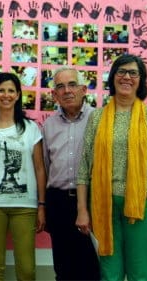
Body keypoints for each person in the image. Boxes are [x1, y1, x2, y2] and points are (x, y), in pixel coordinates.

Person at [76, 54, 147, 281]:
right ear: (113, 77)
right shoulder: (97, 118)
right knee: (109, 273)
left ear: (140, 80)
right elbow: (85, 167)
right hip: (104, 206)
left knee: (139, 273)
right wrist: (82, 210)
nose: (127, 77)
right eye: (121, 72)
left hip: (145, 205)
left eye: (133, 73)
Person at [0, 72, 46, 281]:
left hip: (25, 205)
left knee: (27, 268)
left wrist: (42, 204)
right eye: (1, 90)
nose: (6, 95)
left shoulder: (30, 128)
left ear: (18, 95)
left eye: (11, 91)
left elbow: (39, 168)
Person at [42, 66, 100, 280]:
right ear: (54, 94)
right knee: (63, 267)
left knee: (92, 268)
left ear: (84, 89)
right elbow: (47, 167)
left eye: (72, 84)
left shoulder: (99, 119)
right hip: (58, 201)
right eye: (60, 86)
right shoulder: (48, 125)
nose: (67, 90)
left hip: (92, 199)